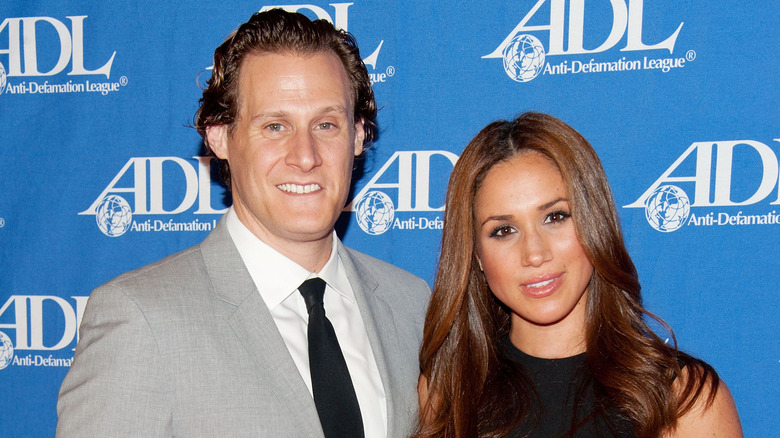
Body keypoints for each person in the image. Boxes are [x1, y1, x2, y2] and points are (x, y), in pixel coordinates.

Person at [57, 9, 430, 438]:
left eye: (326, 124)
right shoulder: (142, 320)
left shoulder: (410, 304)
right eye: (275, 126)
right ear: (219, 137)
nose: (305, 156)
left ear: (359, 135)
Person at [415, 112, 742, 437]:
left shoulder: (683, 400)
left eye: (556, 217)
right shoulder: (448, 392)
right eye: (503, 230)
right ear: (477, 256)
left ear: (594, 222)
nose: (535, 253)